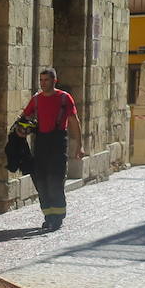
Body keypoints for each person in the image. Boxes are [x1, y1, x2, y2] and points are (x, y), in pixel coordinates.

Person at [18, 66, 84, 231]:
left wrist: (79, 146)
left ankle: (58, 217)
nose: (43, 83)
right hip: (40, 144)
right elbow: (24, 118)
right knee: (41, 182)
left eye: (46, 80)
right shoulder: (36, 100)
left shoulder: (64, 98)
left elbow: (74, 122)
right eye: (41, 80)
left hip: (58, 143)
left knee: (55, 181)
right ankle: (48, 216)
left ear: (54, 81)